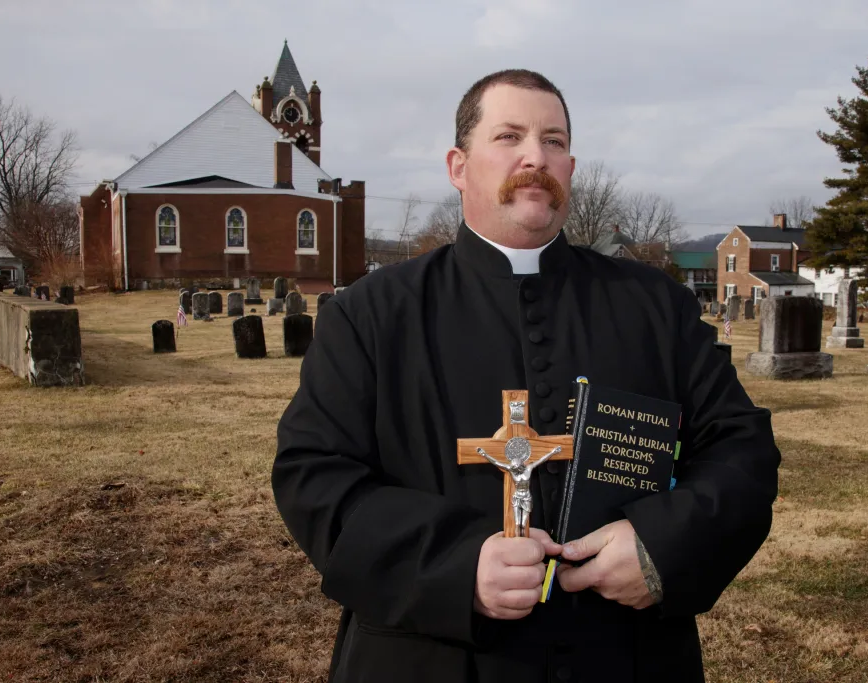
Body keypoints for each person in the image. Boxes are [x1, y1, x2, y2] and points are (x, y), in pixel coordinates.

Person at [272, 69, 780, 683]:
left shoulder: (656, 306)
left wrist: (661, 546)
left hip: (626, 656)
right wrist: (457, 566)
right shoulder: (371, 315)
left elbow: (742, 449)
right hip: (428, 657)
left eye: (555, 141)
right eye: (509, 136)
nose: (536, 156)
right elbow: (314, 478)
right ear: (458, 167)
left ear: (570, 168)